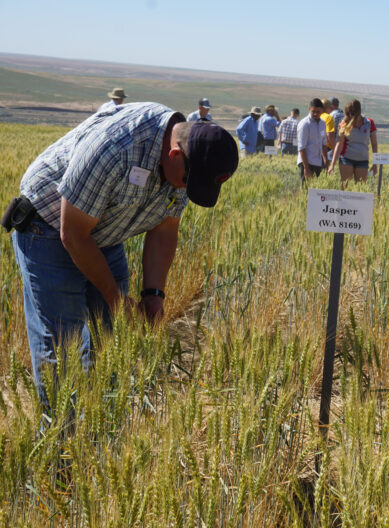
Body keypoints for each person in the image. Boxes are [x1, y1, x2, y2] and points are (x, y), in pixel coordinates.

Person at [3, 103, 238, 411]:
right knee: (62, 345)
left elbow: (165, 229)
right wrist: (114, 299)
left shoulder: (187, 164)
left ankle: (99, 429)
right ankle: (62, 444)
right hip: (48, 227)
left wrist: (154, 295)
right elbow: (73, 235)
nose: (185, 189)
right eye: (186, 182)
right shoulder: (117, 148)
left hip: (103, 231)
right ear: (174, 155)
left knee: (112, 339)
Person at [328, 99, 378, 186]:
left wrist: (375, 164)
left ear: (358, 112)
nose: (350, 115)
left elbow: (374, 144)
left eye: (352, 113)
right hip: (346, 159)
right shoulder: (344, 123)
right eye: (348, 113)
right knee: (345, 186)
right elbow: (339, 144)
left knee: (360, 189)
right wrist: (332, 164)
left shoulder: (369, 123)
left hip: (363, 160)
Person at [297, 98, 328, 182]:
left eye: (318, 112)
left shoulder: (322, 124)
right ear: (309, 109)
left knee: (316, 191)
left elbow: (324, 144)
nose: (315, 114)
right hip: (306, 162)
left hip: (318, 162)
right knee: (306, 189)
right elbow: (301, 147)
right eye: (313, 111)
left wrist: (325, 161)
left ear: (322, 111)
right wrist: (306, 168)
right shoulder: (304, 124)